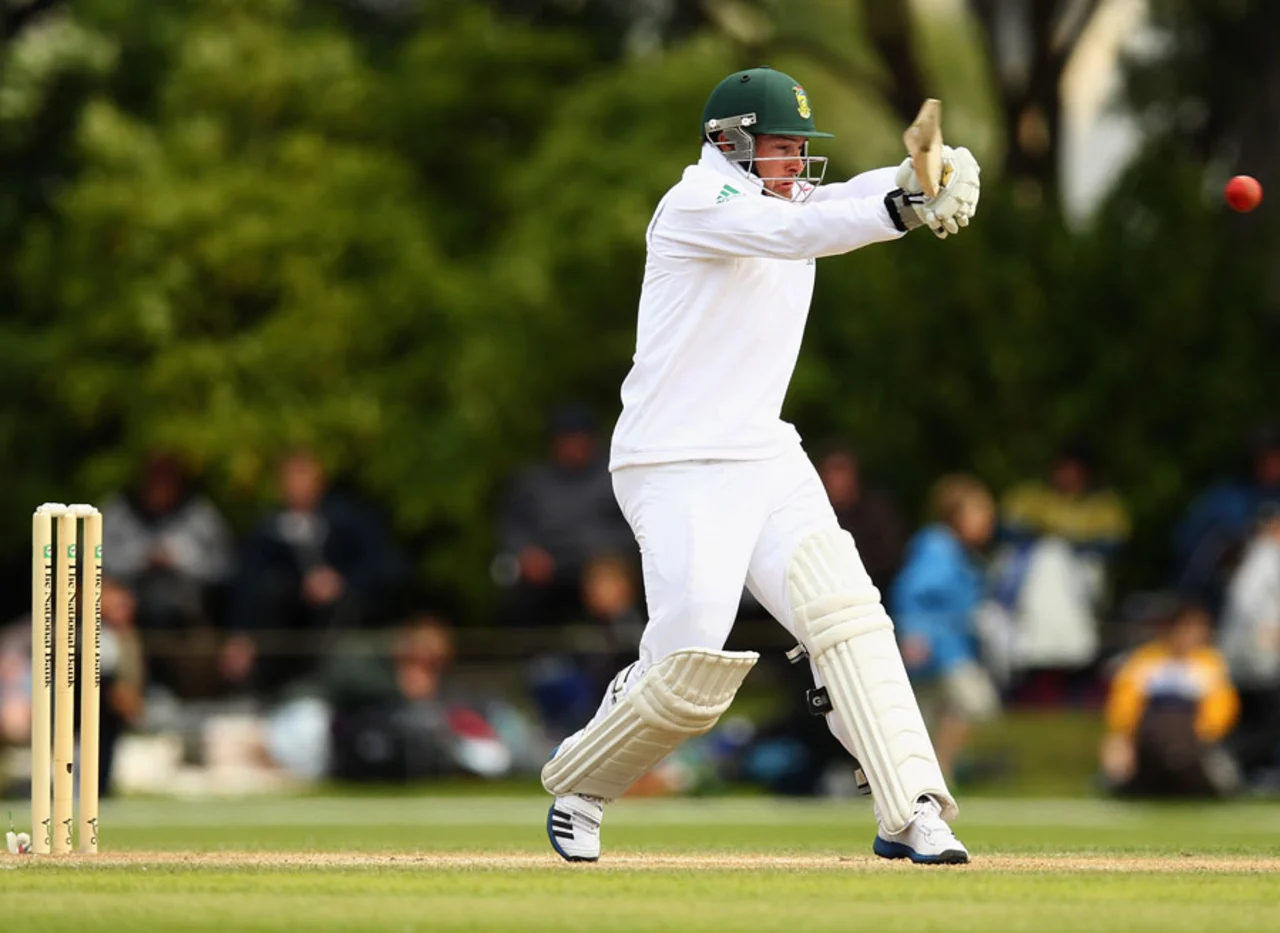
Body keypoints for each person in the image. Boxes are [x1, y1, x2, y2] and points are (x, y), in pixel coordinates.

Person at [540, 66, 981, 864]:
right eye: (782, 148)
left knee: (847, 616)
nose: (795, 164)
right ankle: (581, 782)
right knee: (688, 666)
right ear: (730, 143)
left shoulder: (783, 195)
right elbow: (798, 232)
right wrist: (905, 208)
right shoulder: (698, 204)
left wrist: (928, 171)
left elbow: (841, 196)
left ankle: (914, 808)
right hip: (674, 461)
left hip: (766, 454)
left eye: (799, 149)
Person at [892, 475, 1001, 782]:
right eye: (979, 512)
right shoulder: (938, 549)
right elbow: (912, 592)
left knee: (931, 713)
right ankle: (939, 770)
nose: (987, 521)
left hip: (949, 646)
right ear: (956, 515)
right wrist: (914, 634)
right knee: (972, 702)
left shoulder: (956, 552)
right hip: (939, 648)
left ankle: (927, 774)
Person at [494, 405, 636, 628]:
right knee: (517, 593)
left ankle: (621, 655)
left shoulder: (613, 480)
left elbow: (632, 532)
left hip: (599, 565)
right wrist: (525, 553)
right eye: (567, 439)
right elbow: (514, 527)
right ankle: (534, 659)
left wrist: (600, 554)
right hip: (548, 568)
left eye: (579, 438)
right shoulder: (533, 483)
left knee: (609, 587)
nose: (573, 446)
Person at [1100, 601, 1239, 797]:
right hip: (1149, 743)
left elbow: (1221, 709)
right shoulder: (1146, 661)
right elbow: (1124, 706)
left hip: (1194, 743)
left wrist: (1194, 738)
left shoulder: (1209, 664)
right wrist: (1122, 739)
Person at [1217, 504, 1280, 782]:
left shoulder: (1261, 555)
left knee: (1253, 716)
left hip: (1248, 651)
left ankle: (1249, 770)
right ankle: (1227, 761)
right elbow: (1247, 598)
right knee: (1268, 718)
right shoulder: (1264, 555)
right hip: (1255, 652)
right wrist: (1267, 628)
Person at [816, 445, 908, 594]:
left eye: (841, 471)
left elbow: (894, 557)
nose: (837, 480)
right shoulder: (816, 516)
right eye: (831, 472)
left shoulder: (878, 513)